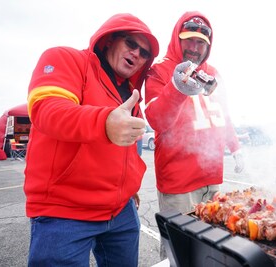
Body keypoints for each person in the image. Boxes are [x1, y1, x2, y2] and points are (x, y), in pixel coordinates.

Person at [24, 13, 159, 266]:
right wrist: (104, 122)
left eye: (144, 53)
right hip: (64, 214)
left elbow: (128, 145)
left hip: (122, 211)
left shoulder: (130, 93)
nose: (137, 54)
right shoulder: (66, 59)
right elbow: (47, 109)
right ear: (110, 40)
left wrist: (129, 186)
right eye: (131, 43)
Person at [144, 11, 244, 260]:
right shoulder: (160, 70)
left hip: (212, 178)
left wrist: (236, 147)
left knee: (214, 247)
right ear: (177, 39)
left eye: (201, 43)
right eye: (188, 39)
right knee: (179, 252)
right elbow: (156, 119)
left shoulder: (213, 72)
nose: (194, 47)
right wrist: (177, 88)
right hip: (179, 184)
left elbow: (223, 114)